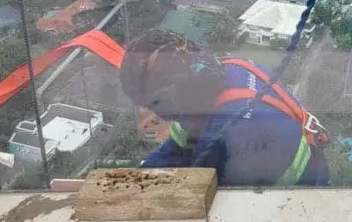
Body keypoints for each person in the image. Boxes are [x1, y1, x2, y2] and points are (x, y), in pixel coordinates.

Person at [120, 29, 330, 186]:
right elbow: (177, 145)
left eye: (154, 103)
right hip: (287, 173)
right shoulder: (227, 69)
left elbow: (205, 201)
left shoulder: (228, 132)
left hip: (299, 200)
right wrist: (138, 177)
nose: (155, 113)